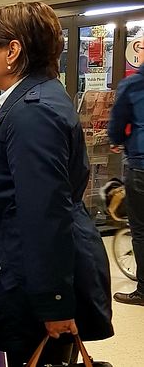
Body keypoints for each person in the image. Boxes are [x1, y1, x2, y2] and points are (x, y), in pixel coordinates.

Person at [0, 1, 113, 366]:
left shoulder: (34, 113)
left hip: (35, 290)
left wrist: (54, 302)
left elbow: (46, 212)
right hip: (24, 277)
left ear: (13, 51)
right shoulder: (23, 103)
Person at [108, 36, 144, 306]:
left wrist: (117, 140)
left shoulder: (133, 84)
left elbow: (118, 122)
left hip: (142, 163)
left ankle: (143, 290)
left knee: (140, 229)